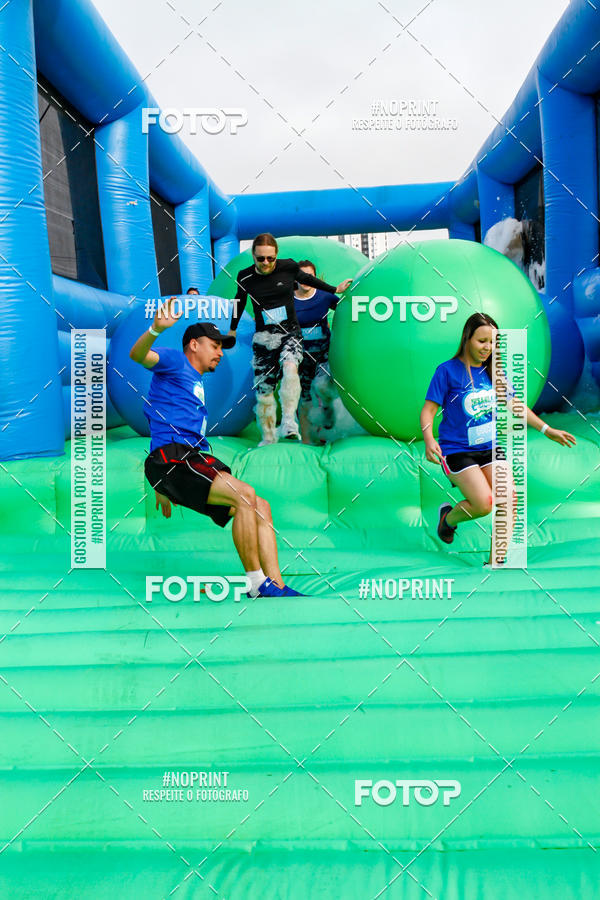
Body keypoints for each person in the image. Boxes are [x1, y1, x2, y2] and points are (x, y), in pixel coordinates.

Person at [129, 297, 303, 597]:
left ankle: (276, 584)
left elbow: (163, 419)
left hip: (186, 459)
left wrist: (160, 485)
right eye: (215, 345)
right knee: (245, 496)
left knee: (261, 506)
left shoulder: (194, 381)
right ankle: (256, 584)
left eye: (222, 347)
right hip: (173, 460)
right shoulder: (174, 361)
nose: (220, 353)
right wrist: (155, 330)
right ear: (194, 345)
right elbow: (137, 355)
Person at [420, 312, 576, 565]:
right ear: (467, 338)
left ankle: (496, 563)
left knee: (509, 499)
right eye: (482, 341)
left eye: (492, 342)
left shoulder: (494, 372)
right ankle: (447, 519)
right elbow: (428, 410)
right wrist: (428, 439)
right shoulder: (447, 371)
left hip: (490, 447)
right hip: (457, 449)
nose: (487, 348)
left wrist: (548, 430)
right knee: (483, 504)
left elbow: (516, 405)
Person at [227, 233, 352, 445]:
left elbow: (307, 279)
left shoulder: (288, 267)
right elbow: (239, 301)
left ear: (276, 255)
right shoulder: (245, 276)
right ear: (253, 256)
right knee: (264, 391)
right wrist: (232, 329)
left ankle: (288, 422)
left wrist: (334, 289)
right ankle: (267, 436)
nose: (266, 263)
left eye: (271, 258)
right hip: (265, 336)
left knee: (290, 366)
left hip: (290, 333)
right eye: (261, 259)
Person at [293, 259, 340, 443]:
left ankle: (328, 416)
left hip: (324, 356)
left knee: (322, 387)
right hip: (301, 360)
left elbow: (347, 310)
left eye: (310, 277)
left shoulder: (325, 296)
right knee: (304, 398)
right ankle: (308, 439)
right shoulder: (289, 300)